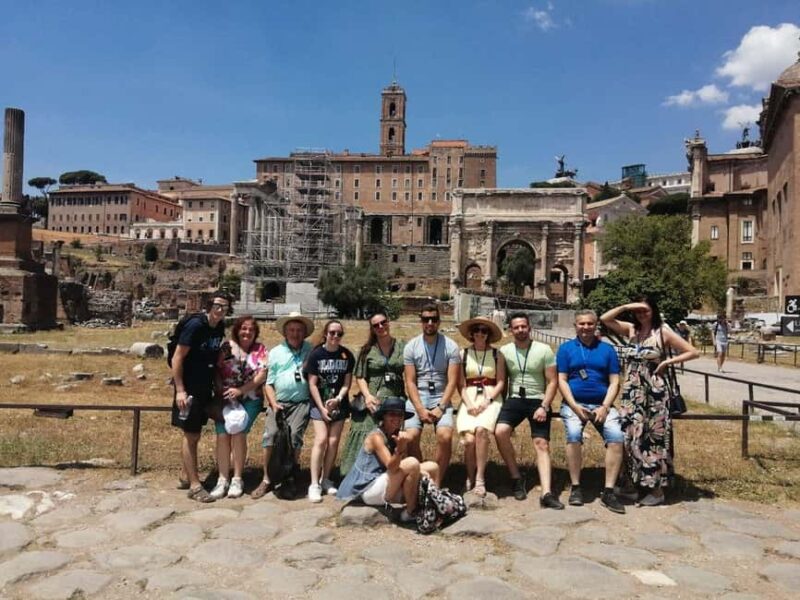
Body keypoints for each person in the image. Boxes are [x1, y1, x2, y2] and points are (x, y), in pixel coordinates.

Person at [600, 296, 699, 506]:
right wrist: (626, 306)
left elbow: (693, 352)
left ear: (653, 310)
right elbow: (605, 318)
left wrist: (668, 361)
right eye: (638, 311)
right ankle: (633, 484)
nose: (641, 314)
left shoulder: (662, 332)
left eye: (645, 310)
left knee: (652, 439)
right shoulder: (631, 330)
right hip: (631, 393)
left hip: (654, 393)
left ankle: (656, 490)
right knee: (629, 436)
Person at [556, 309, 625, 514]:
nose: (586, 327)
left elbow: (615, 381)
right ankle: (576, 486)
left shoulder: (607, 350)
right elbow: (562, 380)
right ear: (575, 326)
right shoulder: (566, 349)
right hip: (574, 403)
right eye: (581, 324)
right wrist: (575, 406)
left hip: (602, 404)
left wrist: (605, 406)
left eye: (589, 324)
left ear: (596, 326)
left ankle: (609, 490)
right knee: (574, 435)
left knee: (616, 438)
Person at [496, 312, 564, 509]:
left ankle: (547, 492)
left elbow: (553, 381)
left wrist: (544, 406)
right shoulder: (504, 351)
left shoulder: (544, 350)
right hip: (515, 398)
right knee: (500, 432)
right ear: (511, 330)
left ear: (529, 328)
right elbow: (502, 380)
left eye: (523, 327)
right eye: (516, 327)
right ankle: (516, 477)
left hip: (538, 399)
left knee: (541, 443)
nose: (520, 330)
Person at [336, 397, 439, 521]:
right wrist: (400, 448)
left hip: (384, 480)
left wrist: (419, 473)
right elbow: (392, 466)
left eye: (400, 415)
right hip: (368, 487)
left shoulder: (396, 435)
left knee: (433, 467)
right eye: (392, 414)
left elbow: (403, 469)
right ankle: (411, 512)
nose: (396, 418)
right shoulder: (376, 437)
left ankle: (435, 504)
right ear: (383, 416)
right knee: (412, 463)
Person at [170, 291, 230, 503]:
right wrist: (180, 389)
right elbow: (178, 357)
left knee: (193, 433)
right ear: (209, 306)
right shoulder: (195, 326)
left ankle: (186, 475)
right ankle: (195, 486)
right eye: (218, 306)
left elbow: (212, 357)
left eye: (225, 307)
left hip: (205, 386)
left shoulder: (219, 327)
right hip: (190, 387)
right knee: (191, 435)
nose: (221, 310)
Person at [252, 312, 315, 500]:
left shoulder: (310, 350)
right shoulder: (276, 352)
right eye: (291, 330)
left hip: (301, 403)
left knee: (294, 436)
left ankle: (289, 476)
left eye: (299, 330)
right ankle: (267, 478)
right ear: (285, 332)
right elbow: (269, 383)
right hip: (278, 402)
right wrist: (273, 403)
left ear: (304, 333)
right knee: (270, 436)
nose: (295, 334)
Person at [341, 310, 406, 476]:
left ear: (388, 322)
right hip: (373, 400)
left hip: (395, 399)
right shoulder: (366, 350)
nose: (380, 327)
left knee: (392, 437)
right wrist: (368, 396)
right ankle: (354, 475)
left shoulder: (402, 346)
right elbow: (360, 376)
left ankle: (391, 474)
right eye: (376, 325)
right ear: (372, 329)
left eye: (383, 322)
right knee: (366, 433)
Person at [210, 316, 268, 500]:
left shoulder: (260, 350)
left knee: (238, 431)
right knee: (222, 435)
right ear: (237, 329)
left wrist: (241, 390)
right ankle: (222, 478)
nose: (247, 332)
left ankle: (237, 478)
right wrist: (221, 389)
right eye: (244, 328)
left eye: (251, 329)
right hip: (225, 399)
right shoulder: (227, 347)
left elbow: (261, 375)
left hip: (250, 397)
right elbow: (216, 370)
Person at [403, 304, 461, 486]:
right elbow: (410, 381)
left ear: (439, 321)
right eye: (426, 319)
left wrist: (441, 407)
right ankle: (421, 476)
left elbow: (452, 381)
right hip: (418, 396)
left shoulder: (450, 346)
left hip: (440, 395)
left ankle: (436, 480)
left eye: (433, 319)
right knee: (410, 437)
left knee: (445, 436)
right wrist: (419, 408)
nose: (429, 323)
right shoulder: (411, 346)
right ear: (421, 321)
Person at [304, 320, 355, 503]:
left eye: (339, 334)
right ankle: (313, 483)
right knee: (321, 440)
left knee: (333, 442)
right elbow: (312, 384)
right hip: (319, 404)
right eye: (332, 333)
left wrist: (339, 399)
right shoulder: (317, 354)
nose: (335, 337)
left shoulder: (346, 355)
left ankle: (326, 478)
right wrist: (321, 407)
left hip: (339, 404)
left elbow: (347, 383)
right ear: (326, 333)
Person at [455, 316, 506, 497]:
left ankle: (480, 478)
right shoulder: (463, 354)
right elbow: (460, 384)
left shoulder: (496, 355)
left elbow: (500, 382)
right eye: (477, 330)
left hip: (491, 396)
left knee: (481, 430)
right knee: (469, 441)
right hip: (469, 397)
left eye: (484, 331)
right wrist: (469, 404)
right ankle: (469, 476)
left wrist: (488, 400)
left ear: (489, 334)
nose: (480, 333)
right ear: (471, 333)